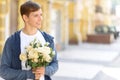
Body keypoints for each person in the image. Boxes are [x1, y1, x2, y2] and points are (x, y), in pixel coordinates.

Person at [0, 1, 58, 80]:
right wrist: (29, 74)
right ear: (25, 18)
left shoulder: (48, 39)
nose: (40, 18)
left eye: (41, 15)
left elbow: (55, 64)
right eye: (36, 15)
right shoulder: (12, 41)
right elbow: (3, 71)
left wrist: (45, 70)